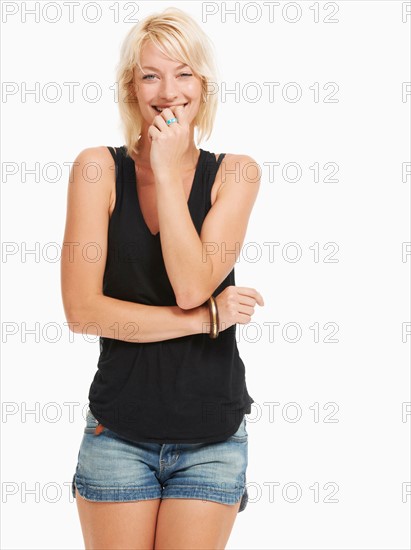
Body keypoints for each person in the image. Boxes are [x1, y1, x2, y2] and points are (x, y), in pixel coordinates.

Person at [61, 7, 264, 549]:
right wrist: (206, 321)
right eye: (151, 74)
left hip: (212, 439)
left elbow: (192, 283)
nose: (168, 90)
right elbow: (83, 312)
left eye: (183, 74)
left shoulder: (237, 172)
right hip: (117, 433)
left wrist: (170, 169)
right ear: (132, 86)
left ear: (204, 85)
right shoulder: (96, 169)